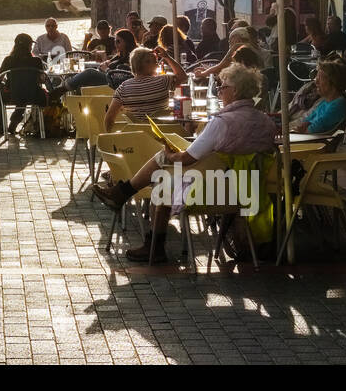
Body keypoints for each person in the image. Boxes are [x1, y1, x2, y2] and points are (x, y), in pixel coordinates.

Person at [93, 63, 276, 263]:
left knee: (162, 178)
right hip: (250, 192)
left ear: (236, 91)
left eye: (222, 87)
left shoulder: (221, 123)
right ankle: (123, 194)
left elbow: (188, 158)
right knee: (166, 172)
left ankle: (151, 239)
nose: (219, 91)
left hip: (210, 193)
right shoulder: (266, 122)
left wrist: (171, 156)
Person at [102, 46, 188, 128]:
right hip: (165, 136)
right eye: (155, 61)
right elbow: (183, 77)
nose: (157, 65)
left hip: (138, 138)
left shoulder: (123, 88)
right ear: (145, 64)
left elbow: (109, 118)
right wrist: (167, 57)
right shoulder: (163, 81)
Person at [0, 33, 46, 135]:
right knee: (25, 90)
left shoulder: (8, 60)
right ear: (28, 46)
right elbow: (42, 79)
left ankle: (1, 127)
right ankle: (14, 122)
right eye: (30, 45)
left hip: (12, 95)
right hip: (33, 95)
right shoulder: (36, 61)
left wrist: (8, 81)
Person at [66, 29, 136, 92]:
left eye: (118, 41)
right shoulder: (119, 56)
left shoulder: (131, 57)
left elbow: (122, 76)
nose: (116, 44)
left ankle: (63, 88)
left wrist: (106, 69)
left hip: (113, 82)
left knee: (89, 72)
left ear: (127, 42)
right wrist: (105, 63)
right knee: (82, 80)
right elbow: (104, 64)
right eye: (115, 41)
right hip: (107, 77)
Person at [297, 59, 346, 134]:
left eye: (320, 78)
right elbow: (307, 120)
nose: (316, 82)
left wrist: (304, 129)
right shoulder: (326, 101)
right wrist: (305, 125)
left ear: (333, 82)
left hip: (318, 142)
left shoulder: (339, 105)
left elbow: (314, 129)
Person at [192, 28, 256, 79]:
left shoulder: (239, 47)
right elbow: (225, 69)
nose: (229, 44)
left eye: (230, 41)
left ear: (238, 39)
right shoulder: (251, 48)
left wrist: (203, 73)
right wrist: (207, 70)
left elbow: (221, 66)